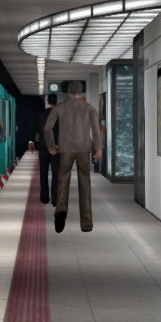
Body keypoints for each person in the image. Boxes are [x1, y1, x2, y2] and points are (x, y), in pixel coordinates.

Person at [43, 83, 103, 232]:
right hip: (84, 149)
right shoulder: (89, 108)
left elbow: (47, 129)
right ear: (81, 93)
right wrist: (98, 148)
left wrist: (51, 146)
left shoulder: (59, 107)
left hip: (65, 149)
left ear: (68, 92)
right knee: (85, 182)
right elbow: (96, 129)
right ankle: (86, 223)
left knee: (63, 179)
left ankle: (61, 210)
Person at [40, 93, 62, 205]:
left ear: (48, 101)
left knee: (43, 173)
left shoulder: (41, 114)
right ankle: (55, 199)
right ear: (56, 101)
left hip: (43, 148)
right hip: (56, 148)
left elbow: (37, 129)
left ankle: (44, 198)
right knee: (56, 174)